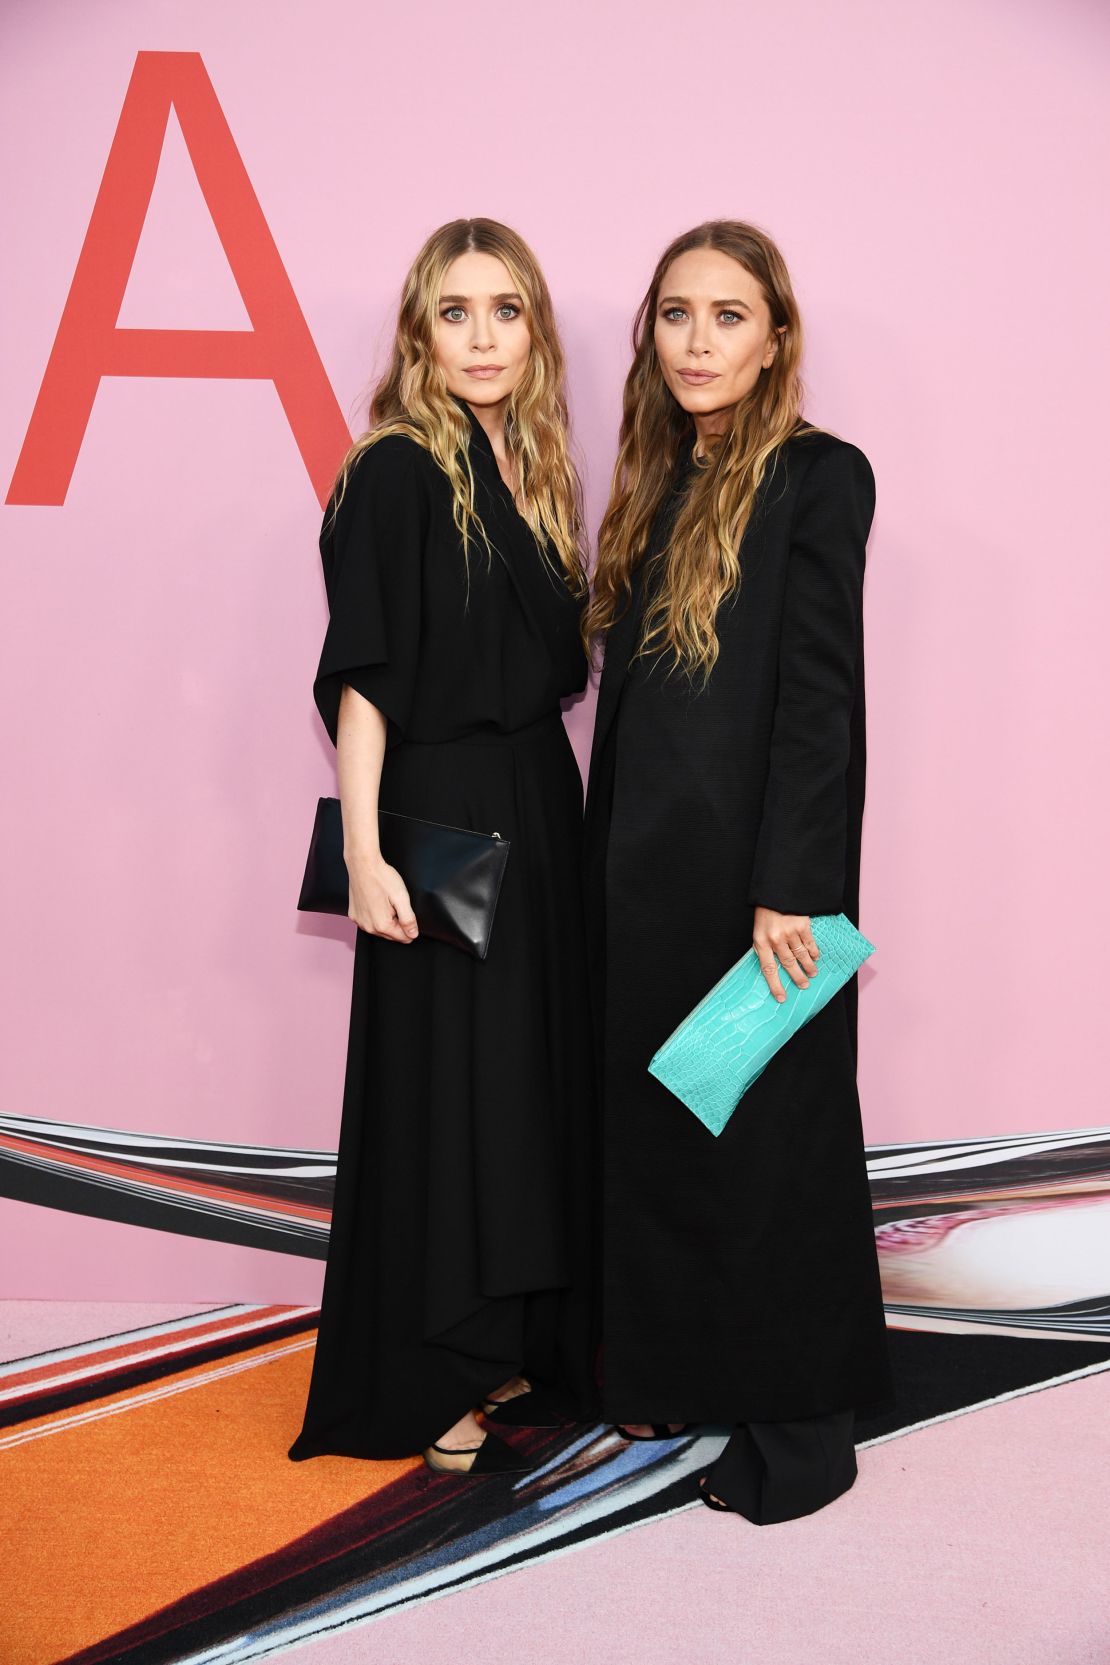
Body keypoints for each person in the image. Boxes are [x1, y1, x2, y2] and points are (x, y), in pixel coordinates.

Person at [582, 220, 893, 1524]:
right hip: (638, 871)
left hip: (756, 882)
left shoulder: (820, 476)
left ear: (775, 341)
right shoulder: (655, 478)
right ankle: (678, 1371)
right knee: (661, 1137)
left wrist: (795, 884)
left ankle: (801, 1432)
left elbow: (819, 700)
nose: (695, 341)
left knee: (774, 1147)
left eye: (725, 316)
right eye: (673, 315)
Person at [289, 218, 598, 1479]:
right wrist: (365, 853)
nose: (483, 337)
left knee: (519, 1088)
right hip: (443, 817)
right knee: (442, 1096)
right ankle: (424, 1371)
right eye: (458, 311)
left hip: (538, 804)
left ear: (535, 332)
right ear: (421, 329)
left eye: (507, 310)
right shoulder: (399, 469)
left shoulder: (523, 467)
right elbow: (368, 681)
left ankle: (503, 1331)